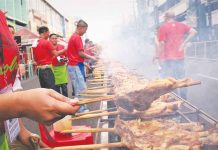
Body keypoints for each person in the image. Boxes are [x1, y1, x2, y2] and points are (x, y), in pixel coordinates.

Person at [0, 10, 80, 149]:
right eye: (52, 37)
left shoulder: (3, 19)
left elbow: (6, 82)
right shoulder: (45, 43)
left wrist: (22, 131)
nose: (54, 39)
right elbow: (55, 54)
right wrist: (21, 104)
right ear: (47, 33)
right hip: (48, 69)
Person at [157, 11, 197, 98]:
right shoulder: (181, 25)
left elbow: (162, 43)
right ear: (174, 17)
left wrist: (158, 56)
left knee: (171, 79)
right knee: (181, 78)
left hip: (168, 58)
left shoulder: (163, 27)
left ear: (165, 18)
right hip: (180, 57)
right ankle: (184, 99)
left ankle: (174, 98)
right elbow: (193, 32)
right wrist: (184, 43)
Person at [67, 19, 97, 112]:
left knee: (78, 87)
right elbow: (80, 53)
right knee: (81, 88)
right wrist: (92, 57)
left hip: (75, 64)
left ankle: (80, 107)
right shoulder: (77, 37)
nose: (85, 32)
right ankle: (81, 108)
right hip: (75, 65)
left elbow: (76, 54)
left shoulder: (73, 36)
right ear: (80, 28)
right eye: (85, 30)